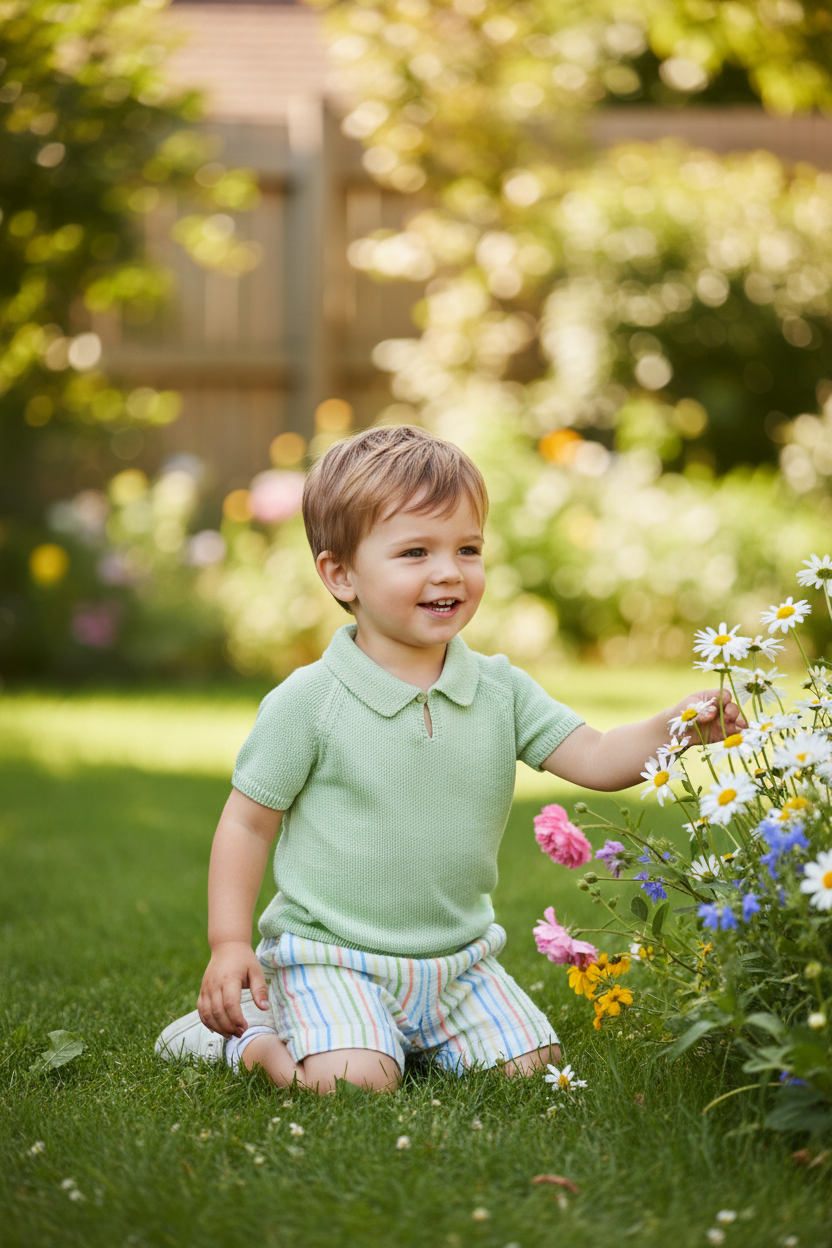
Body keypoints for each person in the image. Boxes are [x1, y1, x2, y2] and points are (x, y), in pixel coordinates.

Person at [155, 425, 742, 1093]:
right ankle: (252, 1040)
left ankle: (391, 1032)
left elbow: (600, 757)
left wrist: (674, 729)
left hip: (457, 964)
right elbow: (247, 823)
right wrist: (230, 944)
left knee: (532, 1070)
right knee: (354, 1083)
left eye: (468, 548)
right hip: (332, 957)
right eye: (414, 551)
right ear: (340, 573)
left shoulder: (499, 689)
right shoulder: (311, 700)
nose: (448, 571)